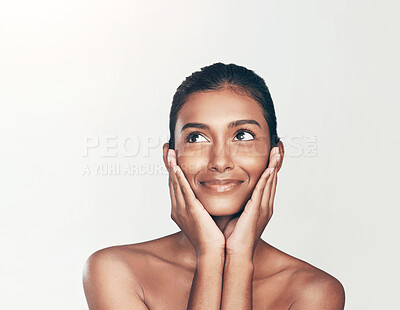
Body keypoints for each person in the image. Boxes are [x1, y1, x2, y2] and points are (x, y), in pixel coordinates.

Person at [83, 62, 345, 309]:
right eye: (197, 137)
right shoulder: (116, 271)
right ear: (170, 157)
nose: (219, 161)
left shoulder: (314, 292)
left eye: (243, 136)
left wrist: (239, 259)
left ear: (275, 155)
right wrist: (209, 256)